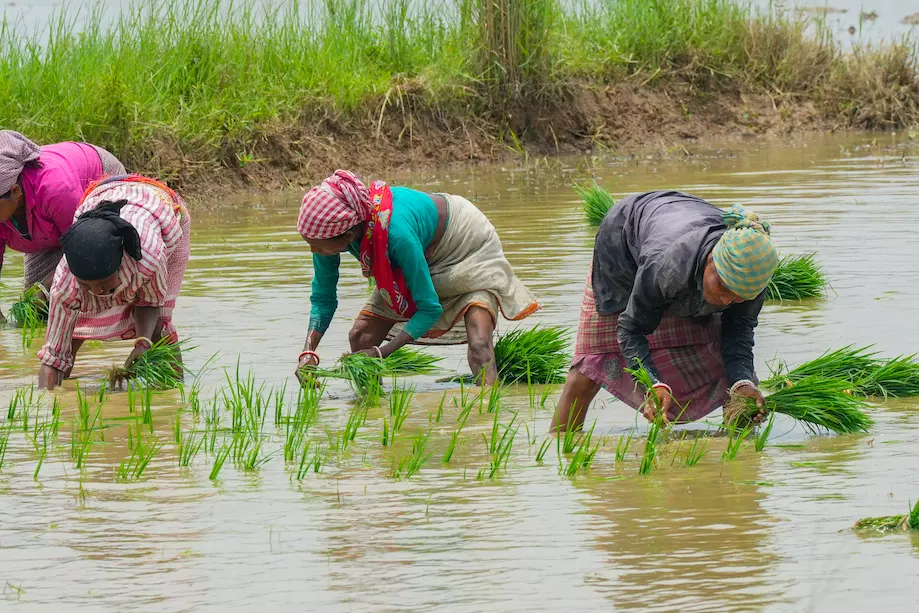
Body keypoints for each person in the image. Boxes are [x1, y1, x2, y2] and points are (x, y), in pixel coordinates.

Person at [552, 191, 776, 432]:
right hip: (622, 253)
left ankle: (739, 459)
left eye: (738, 297)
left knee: (736, 381)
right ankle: (560, 446)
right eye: (722, 286)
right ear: (712, 259)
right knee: (589, 368)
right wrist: (652, 383)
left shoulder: (753, 279)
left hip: (676, 236)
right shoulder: (667, 266)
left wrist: (741, 381)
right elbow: (631, 329)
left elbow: (739, 333)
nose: (725, 300)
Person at [293, 170, 540, 386]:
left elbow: (429, 308)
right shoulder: (326, 236)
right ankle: (373, 412)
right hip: (418, 249)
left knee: (479, 343)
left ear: (347, 234)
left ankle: (487, 416)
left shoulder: (395, 235)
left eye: (318, 245)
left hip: (463, 245)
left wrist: (382, 352)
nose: (315, 251)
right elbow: (323, 298)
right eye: (310, 243)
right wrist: (308, 352)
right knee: (360, 336)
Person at [36, 175, 191, 389]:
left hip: (159, 205)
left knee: (160, 325)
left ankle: (175, 391)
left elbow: (150, 303)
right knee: (71, 332)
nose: (98, 293)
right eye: (86, 285)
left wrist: (143, 342)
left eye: (104, 283)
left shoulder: (148, 259)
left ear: (120, 266)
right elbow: (52, 355)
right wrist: (46, 402)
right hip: (101, 196)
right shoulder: (65, 285)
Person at [0, 130, 126, 322]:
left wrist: (45, 289)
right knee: (35, 314)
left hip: (98, 186)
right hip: (46, 230)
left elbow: (83, 247)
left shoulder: (56, 189)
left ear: (15, 191)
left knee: (96, 289)